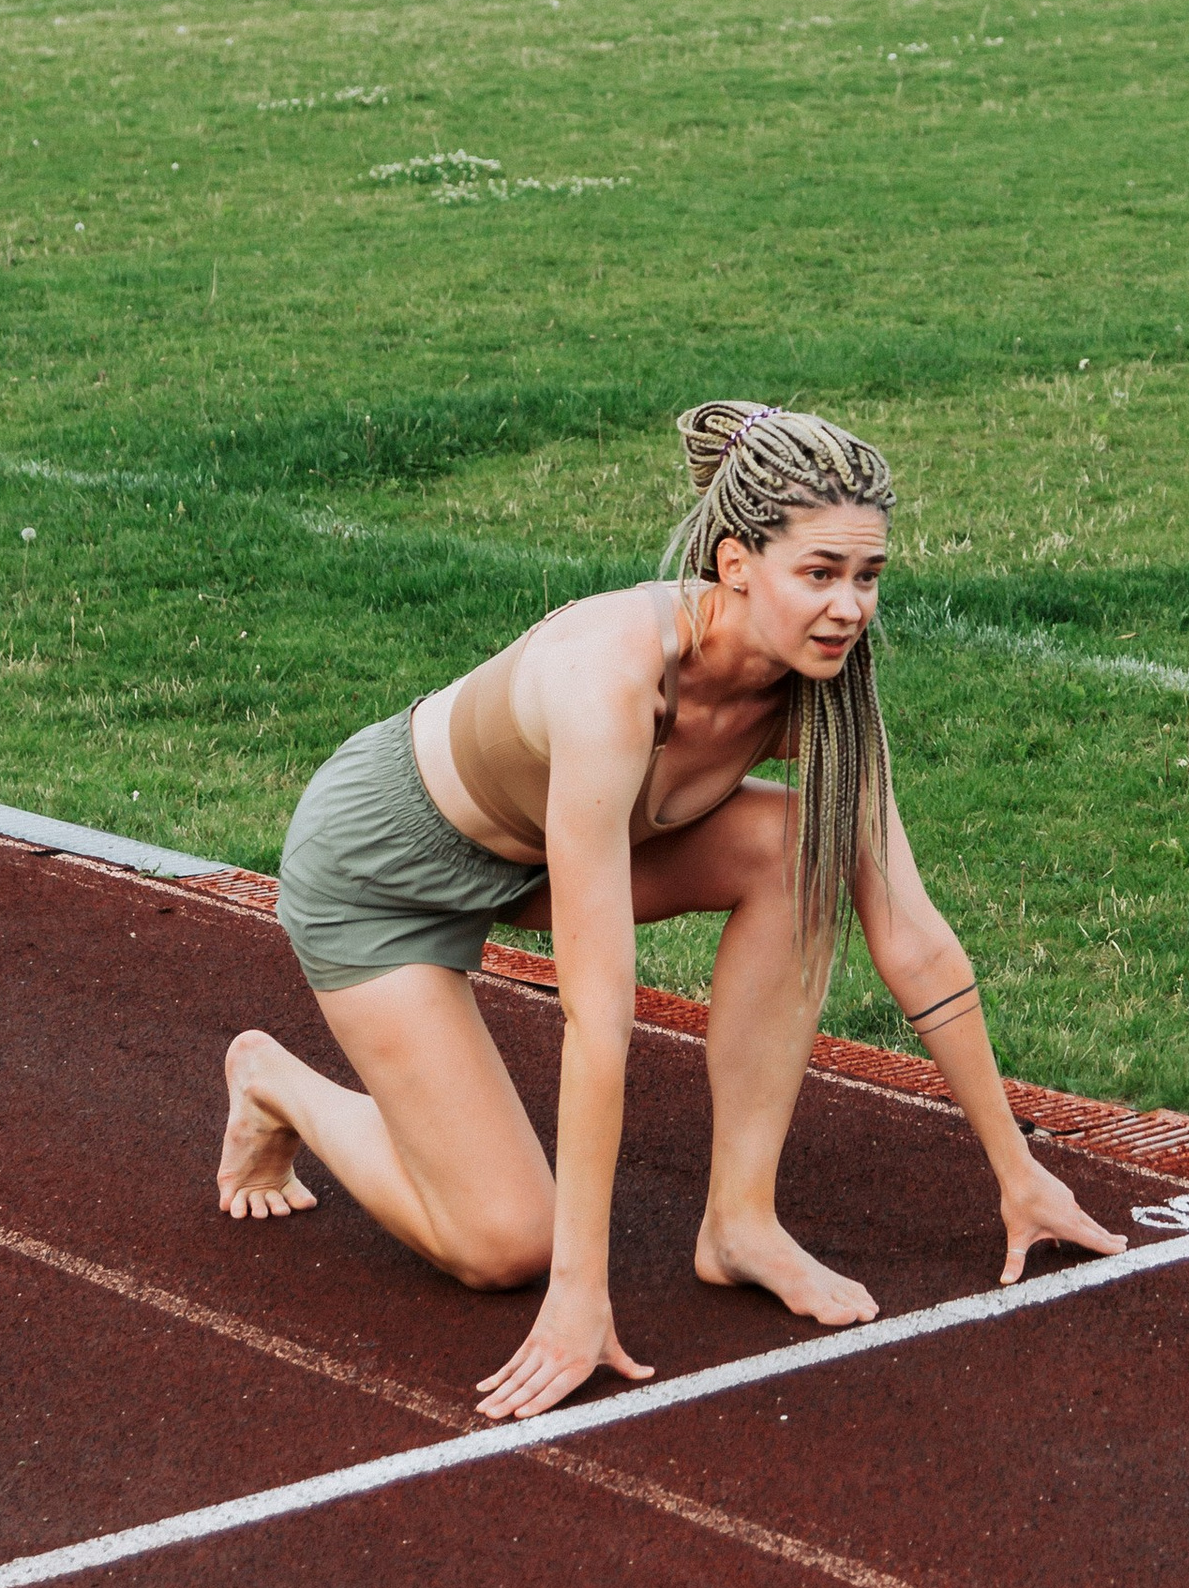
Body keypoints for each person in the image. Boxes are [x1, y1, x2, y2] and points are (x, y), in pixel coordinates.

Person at [218, 400, 1124, 1421]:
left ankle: (739, 1222)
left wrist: (1017, 1172)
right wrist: (579, 1294)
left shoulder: (825, 694)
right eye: (819, 573)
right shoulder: (611, 679)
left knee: (803, 844)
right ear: (737, 564)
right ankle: (278, 1084)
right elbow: (598, 1014)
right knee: (507, 1246)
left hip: (540, 857)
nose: (849, 607)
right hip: (383, 871)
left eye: (867, 576)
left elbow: (910, 935)